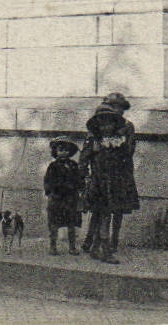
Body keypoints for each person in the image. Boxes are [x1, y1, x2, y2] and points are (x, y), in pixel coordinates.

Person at [79, 92, 139, 263]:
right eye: (113, 107)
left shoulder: (121, 136)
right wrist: (84, 178)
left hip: (116, 180)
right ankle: (98, 246)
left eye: (118, 108)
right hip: (98, 183)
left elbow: (127, 153)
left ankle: (103, 245)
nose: (106, 126)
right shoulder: (94, 139)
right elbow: (84, 157)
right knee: (101, 214)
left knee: (109, 212)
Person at [43, 137, 85, 256]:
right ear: (55, 151)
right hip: (57, 199)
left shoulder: (73, 165)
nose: (63, 152)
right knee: (54, 224)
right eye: (60, 149)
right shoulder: (53, 166)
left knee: (71, 223)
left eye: (66, 150)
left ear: (70, 152)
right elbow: (47, 181)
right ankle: (53, 246)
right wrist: (50, 192)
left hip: (71, 199)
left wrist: (80, 189)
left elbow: (79, 179)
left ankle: (72, 247)